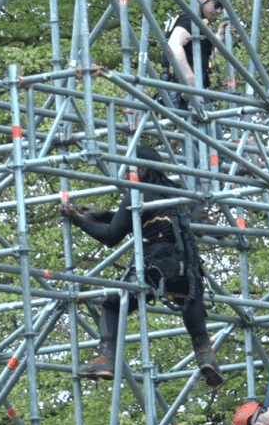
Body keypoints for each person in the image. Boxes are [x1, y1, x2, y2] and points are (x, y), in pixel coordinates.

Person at [60, 147, 223, 386]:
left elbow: (111, 236)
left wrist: (75, 217)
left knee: (112, 303)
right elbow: (142, 218)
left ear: (142, 169)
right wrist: (106, 214)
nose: (126, 175)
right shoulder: (175, 194)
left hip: (155, 272)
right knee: (186, 299)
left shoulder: (137, 194)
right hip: (185, 272)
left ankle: (107, 357)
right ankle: (205, 355)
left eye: (128, 169)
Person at [161, 0, 231, 112]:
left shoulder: (198, 25)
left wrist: (219, 36)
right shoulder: (189, 20)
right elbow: (174, 45)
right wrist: (188, 78)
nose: (219, 11)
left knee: (213, 132)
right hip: (185, 95)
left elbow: (205, 58)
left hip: (197, 93)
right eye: (217, 5)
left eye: (222, 8)